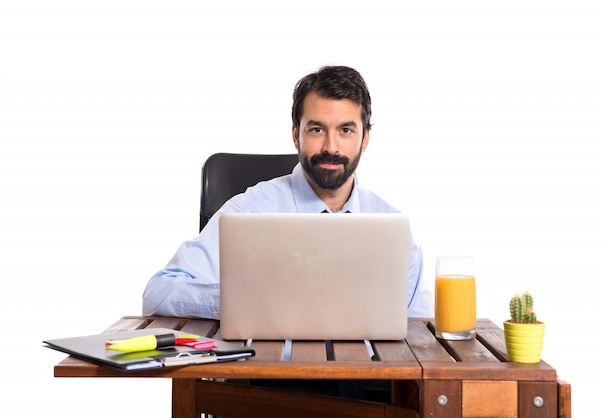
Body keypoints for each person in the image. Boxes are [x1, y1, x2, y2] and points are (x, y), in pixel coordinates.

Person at [142, 65, 433, 321]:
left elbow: (421, 326)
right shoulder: (249, 212)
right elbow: (158, 293)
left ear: (365, 138)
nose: (331, 147)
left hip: (372, 378)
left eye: (346, 130)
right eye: (317, 129)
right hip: (266, 378)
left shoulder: (392, 227)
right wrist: (246, 301)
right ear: (296, 134)